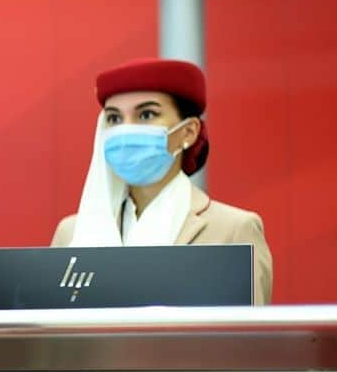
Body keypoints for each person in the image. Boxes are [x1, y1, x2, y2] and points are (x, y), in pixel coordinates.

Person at [51, 57, 273, 304]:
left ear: (188, 132)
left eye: (146, 114)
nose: (126, 130)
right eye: (114, 118)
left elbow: (247, 341)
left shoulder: (233, 231)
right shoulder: (72, 233)